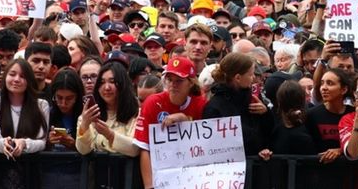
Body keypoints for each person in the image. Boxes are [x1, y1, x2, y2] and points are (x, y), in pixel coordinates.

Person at [133, 56, 207, 189]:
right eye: (169, 79)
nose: (173, 84)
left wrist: (185, 120)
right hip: (161, 177)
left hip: (194, 178)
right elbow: (144, 147)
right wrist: (149, 186)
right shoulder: (152, 102)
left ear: (191, 83)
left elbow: (206, 147)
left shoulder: (201, 105)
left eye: (179, 80)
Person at [0, 57, 51, 189]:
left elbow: (41, 142)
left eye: (22, 76)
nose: (16, 79)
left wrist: (24, 143)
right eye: (12, 74)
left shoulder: (41, 105)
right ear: (5, 77)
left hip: (30, 172)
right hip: (0, 172)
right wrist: (4, 143)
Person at [203, 52, 274, 159]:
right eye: (250, 74)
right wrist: (254, 150)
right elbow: (216, 146)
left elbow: (267, 132)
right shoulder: (214, 107)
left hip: (255, 165)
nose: (253, 78)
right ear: (238, 78)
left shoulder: (253, 99)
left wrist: (265, 113)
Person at [77, 61, 140, 157]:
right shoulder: (89, 114)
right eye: (102, 83)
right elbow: (83, 150)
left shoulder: (137, 114)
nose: (106, 87)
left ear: (123, 84)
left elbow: (135, 149)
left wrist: (110, 135)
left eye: (112, 82)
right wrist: (84, 125)